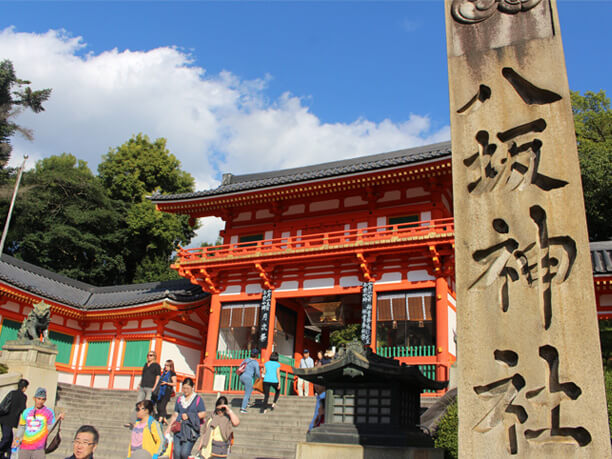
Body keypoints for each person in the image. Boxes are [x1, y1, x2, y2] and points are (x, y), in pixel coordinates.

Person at [13, 387, 64, 459]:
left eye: (43, 399)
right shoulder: (26, 412)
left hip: (39, 448)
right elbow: (22, 427)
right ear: (34, 398)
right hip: (25, 446)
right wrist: (17, 439)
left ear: (45, 400)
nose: (40, 401)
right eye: (38, 398)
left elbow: (49, 428)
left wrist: (58, 418)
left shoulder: (49, 412)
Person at [164, 378, 206, 459]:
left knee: (184, 453)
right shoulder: (179, 399)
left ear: (192, 387)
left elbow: (203, 413)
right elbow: (175, 414)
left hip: (190, 430)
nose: (185, 390)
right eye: (184, 388)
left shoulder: (198, 399)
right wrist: (169, 427)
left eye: (187, 388)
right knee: (176, 453)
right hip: (178, 429)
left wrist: (189, 415)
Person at [127, 351, 161, 426]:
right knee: (138, 404)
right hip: (143, 386)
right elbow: (143, 376)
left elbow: (158, 377)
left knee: (148, 404)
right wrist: (139, 384)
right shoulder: (146, 365)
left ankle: (148, 421)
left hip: (150, 387)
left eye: (151, 355)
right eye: (148, 355)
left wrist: (155, 387)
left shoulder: (156, 366)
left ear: (154, 357)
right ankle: (132, 421)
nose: (149, 357)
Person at [0, 378, 28, 459]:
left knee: (9, 439)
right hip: (9, 421)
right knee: (6, 438)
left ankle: (7, 455)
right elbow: (23, 410)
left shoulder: (12, 393)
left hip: (3, 418)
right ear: (24, 388)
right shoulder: (23, 397)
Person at [154, 360, 177, 424]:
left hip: (167, 391)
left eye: (167, 365)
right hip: (160, 391)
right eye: (165, 365)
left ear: (170, 366)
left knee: (162, 405)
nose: (165, 367)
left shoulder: (172, 373)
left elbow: (174, 383)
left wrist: (166, 383)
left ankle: (160, 419)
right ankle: (164, 419)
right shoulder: (163, 373)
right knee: (158, 405)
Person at [238, 349, 260, 413]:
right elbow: (257, 373)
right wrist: (259, 377)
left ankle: (247, 402)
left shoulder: (246, 360)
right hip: (248, 377)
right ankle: (243, 408)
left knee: (249, 389)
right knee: (247, 393)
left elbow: (241, 366)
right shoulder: (255, 362)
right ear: (256, 355)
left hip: (241, 376)